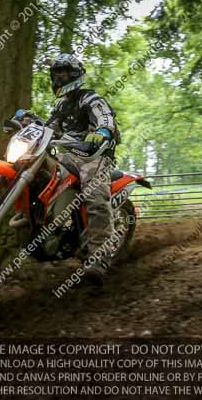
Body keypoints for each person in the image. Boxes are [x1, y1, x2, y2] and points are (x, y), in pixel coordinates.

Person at [45, 53, 121, 285]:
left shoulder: (89, 98)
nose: (58, 78)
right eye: (56, 74)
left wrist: (103, 131)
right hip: (68, 156)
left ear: (75, 74)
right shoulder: (61, 105)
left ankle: (99, 257)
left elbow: (104, 116)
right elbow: (49, 128)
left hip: (93, 156)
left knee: (95, 197)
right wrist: (28, 122)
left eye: (63, 73)